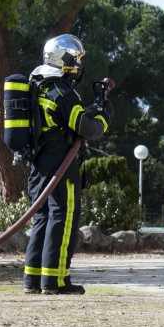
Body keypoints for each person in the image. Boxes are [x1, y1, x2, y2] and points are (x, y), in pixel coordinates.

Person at [23, 35, 111, 295]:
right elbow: (86, 128)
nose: (78, 66)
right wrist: (104, 116)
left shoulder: (39, 86)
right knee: (64, 216)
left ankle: (33, 280)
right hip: (61, 164)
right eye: (75, 60)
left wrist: (93, 107)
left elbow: (69, 118)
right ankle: (56, 281)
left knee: (42, 217)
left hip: (39, 164)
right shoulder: (62, 92)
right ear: (62, 60)